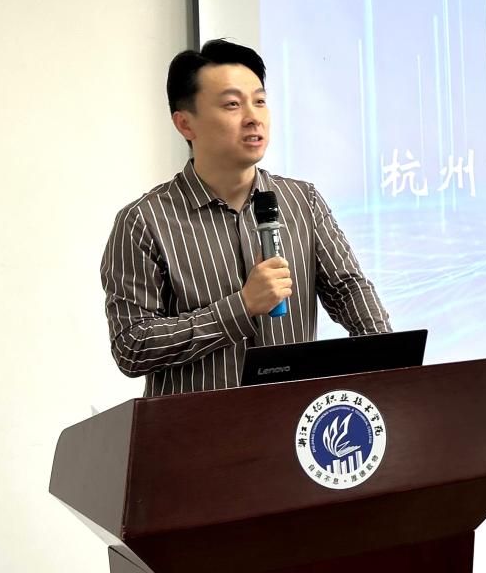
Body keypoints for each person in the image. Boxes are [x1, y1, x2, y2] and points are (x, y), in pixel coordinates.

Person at [100, 39, 391, 396]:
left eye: (260, 101)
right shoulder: (144, 221)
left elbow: (348, 289)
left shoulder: (303, 201)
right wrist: (241, 306)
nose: (253, 117)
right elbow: (132, 346)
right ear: (185, 124)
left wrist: (393, 362)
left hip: (294, 418)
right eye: (233, 105)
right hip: (199, 425)